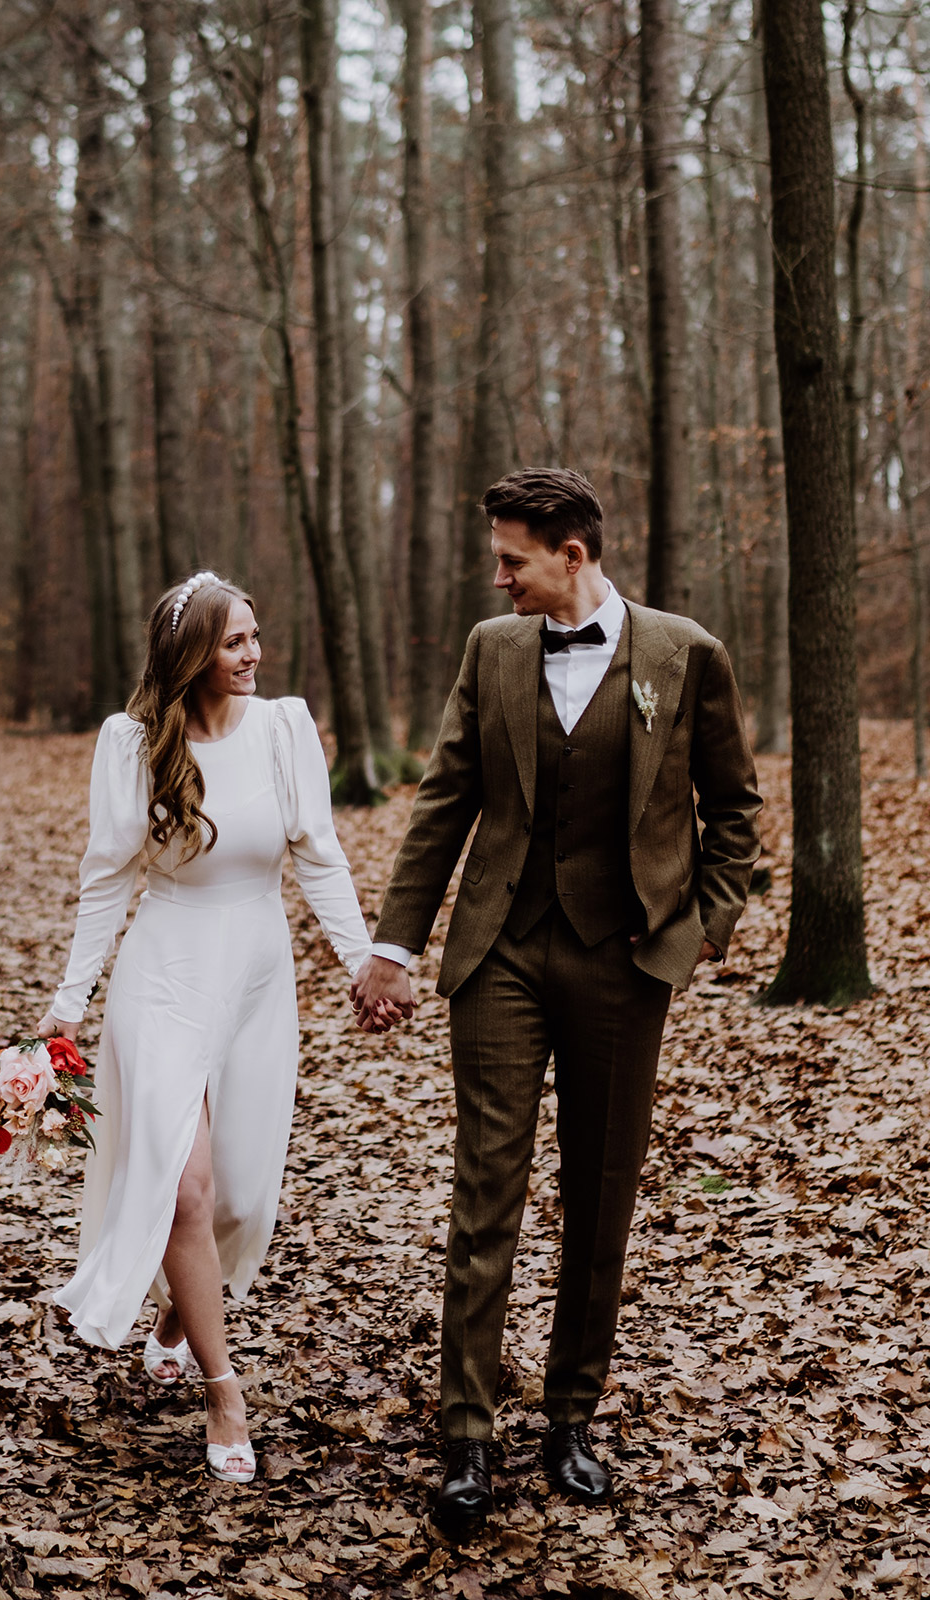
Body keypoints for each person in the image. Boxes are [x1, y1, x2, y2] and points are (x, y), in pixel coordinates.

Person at [351, 469, 761, 1527]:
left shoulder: (686, 654)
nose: (499, 576)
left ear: (572, 554)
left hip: (623, 965)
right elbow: (445, 800)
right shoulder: (492, 651)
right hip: (500, 952)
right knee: (485, 1188)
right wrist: (395, 945)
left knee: (601, 1190)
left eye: (513, 559)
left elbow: (736, 812)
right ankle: (468, 1434)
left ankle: (571, 1416)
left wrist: (699, 931)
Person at [37, 572, 373, 1484]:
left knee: (239, 1201)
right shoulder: (133, 742)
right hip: (166, 973)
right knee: (185, 1188)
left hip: (260, 974)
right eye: (234, 643)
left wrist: (363, 961)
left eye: (256, 637)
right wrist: (70, 999)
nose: (253, 654)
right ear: (191, 656)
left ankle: (184, 1311)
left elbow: (321, 856)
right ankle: (225, 1395)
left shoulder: (283, 728)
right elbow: (107, 877)